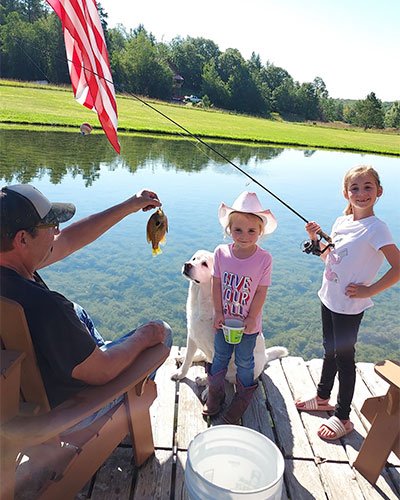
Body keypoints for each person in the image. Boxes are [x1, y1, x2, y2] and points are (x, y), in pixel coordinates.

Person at [0, 183, 172, 419]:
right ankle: (124, 414)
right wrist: (147, 335)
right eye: (52, 225)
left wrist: (130, 205)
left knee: (77, 311)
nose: (57, 232)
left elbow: (70, 240)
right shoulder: (47, 307)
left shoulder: (10, 264)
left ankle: (96, 350)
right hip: (67, 410)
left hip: (21, 392)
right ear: (22, 239)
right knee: (162, 332)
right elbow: (103, 371)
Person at [295, 165, 400, 440]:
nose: (361, 193)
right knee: (329, 349)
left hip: (349, 308)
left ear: (379, 191)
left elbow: (398, 268)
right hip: (328, 297)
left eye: (368, 187)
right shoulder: (342, 223)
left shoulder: (377, 229)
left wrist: (370, 291)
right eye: (355, 188)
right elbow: (330, 259)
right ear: (346, 193)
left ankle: (343, 417)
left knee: (345, 358)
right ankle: (322, 398)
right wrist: (315, 240)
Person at [203, 191, 277, 424]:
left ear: (260, 231)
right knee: (220, 356)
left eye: (251, 231)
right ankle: (215, 394)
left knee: (245, 361)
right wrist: (219, 312)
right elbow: (216, 284)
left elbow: (261, 291)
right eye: (238, 230)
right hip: (224, 320)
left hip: (248, 324)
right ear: (229, 230)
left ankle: (242, 400)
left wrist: (252, 318)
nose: (244, 236)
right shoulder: (221, 253)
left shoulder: (264, 259)